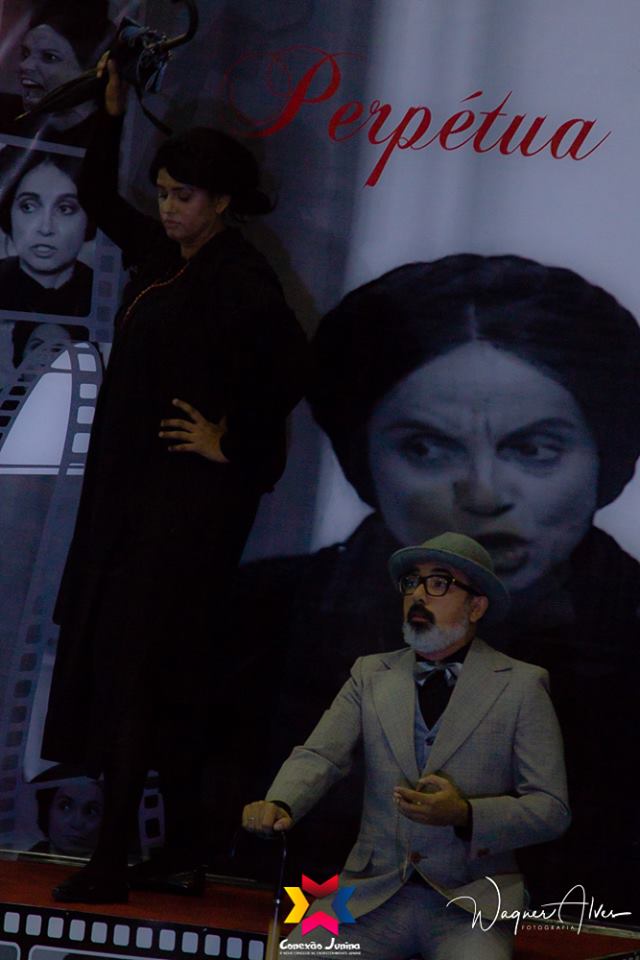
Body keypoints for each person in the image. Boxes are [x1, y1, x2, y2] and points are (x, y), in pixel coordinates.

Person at [235, 254, 640, 911]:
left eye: (535, 448)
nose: (482, 494)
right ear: (363, 458)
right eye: (427, 447)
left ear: (607, 457)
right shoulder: (258, 622)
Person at [41, 55, 307, 904]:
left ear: (222, 200)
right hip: (131, 498)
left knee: (141, 673)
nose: (166, 206)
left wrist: (235, 447)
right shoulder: (167, 255)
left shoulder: (240, 277)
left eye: (183, 194)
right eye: (162, 192)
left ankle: (112, 859)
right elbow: (97, 193)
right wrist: (112, 109)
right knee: (157, 677)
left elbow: (295, 366)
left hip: (184, 509)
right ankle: (181, 848)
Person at [244, 532, 570, 960]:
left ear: (476, 606)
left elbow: (551, 808)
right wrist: (281, 801)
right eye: (412, 582)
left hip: (470, 903)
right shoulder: (371, 674)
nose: (418, 594)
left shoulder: (521, 685)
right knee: (301, 954)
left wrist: (466, 814)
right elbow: (321, 754)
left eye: (438, 583)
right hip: (370, 896)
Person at [0, 0, 115, 146]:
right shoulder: (9, 116)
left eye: (49, 57)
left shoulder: (110, 138)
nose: (25, 65)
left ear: (89, 70)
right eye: (26, 54)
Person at [0, 147, 94, 316]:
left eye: (65, 209)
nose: (46, 229)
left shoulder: (106, 292)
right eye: (28, 207)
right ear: (8, 213)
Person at [31, 779, 103, 856]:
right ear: (47, 810)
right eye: (65, 807)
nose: (77, 823)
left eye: (91, 812)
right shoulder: (26, 858)